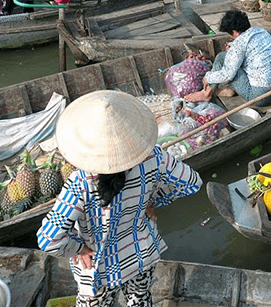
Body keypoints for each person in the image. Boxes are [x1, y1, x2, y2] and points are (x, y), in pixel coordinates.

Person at [37, 90, 202, 307]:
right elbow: (192, 182)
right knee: (140, 301)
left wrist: (79, 248)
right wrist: (154, 199)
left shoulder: (81, 182)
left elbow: (49, 239)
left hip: (98, 268)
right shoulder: (154, 156)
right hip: (140, 256)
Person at [183, 10, 271, 106]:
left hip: (260, 97)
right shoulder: (262, 32)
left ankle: (206, 93)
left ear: (235, 32)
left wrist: (207, 77)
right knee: (232, 60)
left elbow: (228, 75)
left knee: (222, 57)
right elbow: (250, 50)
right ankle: (223, 91)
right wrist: (233, 48)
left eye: (229, 34)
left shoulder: (238, 45)